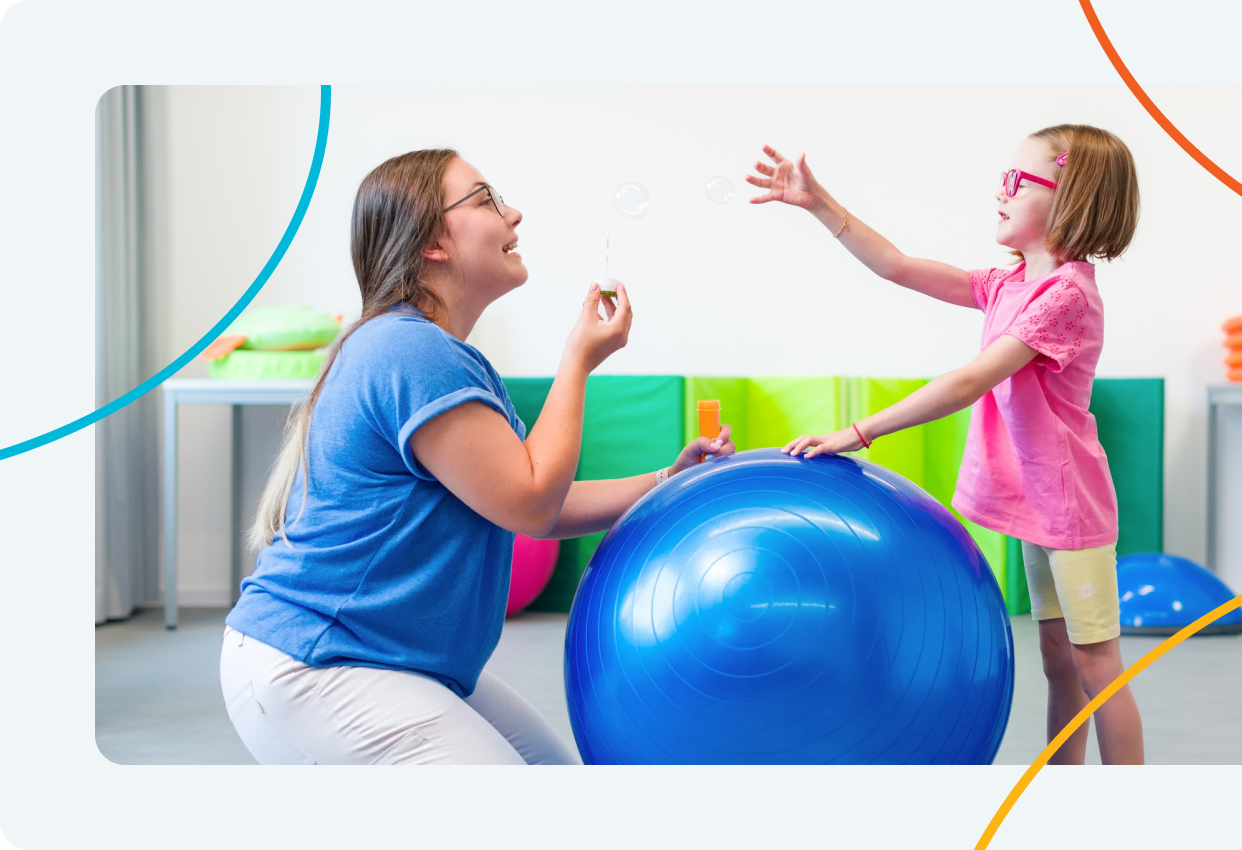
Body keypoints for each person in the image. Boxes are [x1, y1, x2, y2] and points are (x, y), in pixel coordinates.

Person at [220, 148, 736, 765]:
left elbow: (532, 501)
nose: (513, 213)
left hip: (391, 658)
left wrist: (667, 480)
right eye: (487, 199)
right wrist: (577, 358)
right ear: (433, 242)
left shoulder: (437, 354)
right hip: (320, 663)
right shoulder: (409, 351)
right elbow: (530, 499)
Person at [747, 125, 1144, 765]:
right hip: (1037, 500)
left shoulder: (1066, 295)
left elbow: (970, 380)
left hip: (1069, 508)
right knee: (1057, 660)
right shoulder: (1011, 284)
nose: (1000, 192)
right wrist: (820, 205)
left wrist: (857, 432)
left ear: (1070, 199)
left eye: (1017, 182)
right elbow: (898, 266)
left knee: (1097, 663)